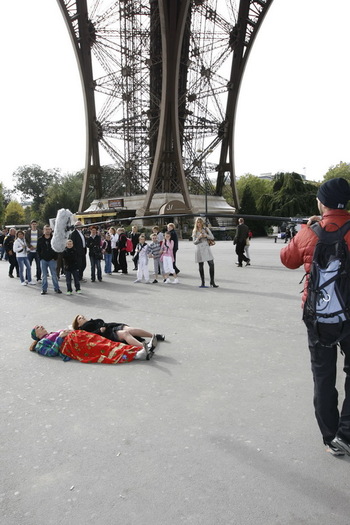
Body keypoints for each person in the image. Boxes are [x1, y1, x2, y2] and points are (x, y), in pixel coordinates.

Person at [280, 177, 350, 457]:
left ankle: (330, 435)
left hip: (318, 317)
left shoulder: (310, 232)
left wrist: (305, 229)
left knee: (323, 376)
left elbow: (288, 260)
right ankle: (346, 433)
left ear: (322, 202)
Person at [30, 325, 155, 363]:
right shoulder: (40, 344)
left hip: (79, 336)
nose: (41, 326)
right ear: (36, 335)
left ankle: (138, 349)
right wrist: (60, 337)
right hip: (72, 345)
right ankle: (137, 354)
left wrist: (68, 331)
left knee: (107, 343)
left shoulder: (52, 332)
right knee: (100, 348)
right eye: (38, 327)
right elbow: (52, 352)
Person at [72, 314, 164, 350]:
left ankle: (154, 336)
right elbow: (91, 337)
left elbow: (101, 320)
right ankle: (144, 347)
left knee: (129, 329)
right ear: (78, 325)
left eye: (82, 315)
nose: (82, 317)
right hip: (107, 334)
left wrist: (103, 325)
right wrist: (99, 330)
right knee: (125, 334)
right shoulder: (83, 330)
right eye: (79, 318)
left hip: (111, 326)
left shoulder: (93, 320)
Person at [192, 217, 218, 288]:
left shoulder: (206, 229)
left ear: (202, 223)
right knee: (201, 266)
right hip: (199, 249)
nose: (199, 224)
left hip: (206, 248)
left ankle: (212, 282)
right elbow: (194, 242)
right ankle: (202, 282)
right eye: (198, 222)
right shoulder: (194, 231)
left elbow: (212, 237)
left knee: (211, 264)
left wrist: (206, 235)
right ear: (196, 223)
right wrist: (199, 237)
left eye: (200, 222)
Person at [37, 225, 62, 295]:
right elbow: (38, 250)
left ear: (51, 230)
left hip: (52, 260)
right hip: (43, 260)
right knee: (44, 275)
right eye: (46, 229)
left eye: (49, 229)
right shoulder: (40, 239)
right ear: (43, 230)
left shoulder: (54, 239)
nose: (47, 231)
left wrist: (55, 257)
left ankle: (56, 288)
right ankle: (44, 289)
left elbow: (57, 248)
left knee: (54, 274)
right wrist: (40, 257)